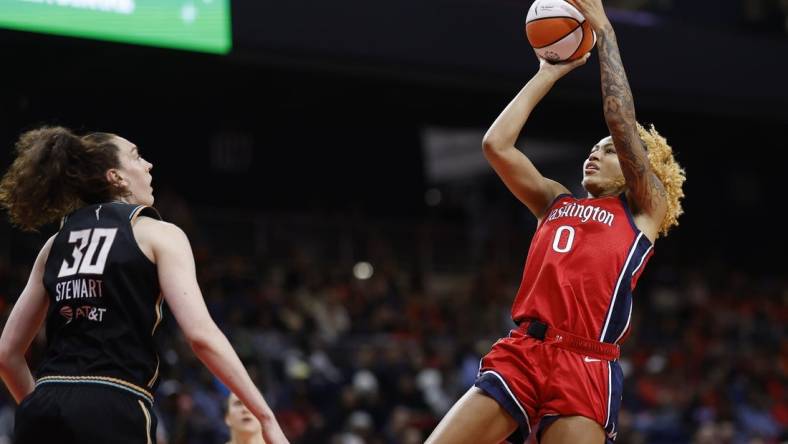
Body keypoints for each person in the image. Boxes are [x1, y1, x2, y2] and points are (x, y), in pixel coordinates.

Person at [426, 0, 686, 443]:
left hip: (585, 362)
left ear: (634, 166)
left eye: (608, 151)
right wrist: (546, 74)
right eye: (594, 147)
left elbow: (621, 121)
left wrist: (605, 29)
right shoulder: (555, 201)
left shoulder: (645, 209)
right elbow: (497, 145)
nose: (595, 152)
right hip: (524, 350)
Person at [0, 127, 289, 444]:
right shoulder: (159, 234)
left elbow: (6, 355)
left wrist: (39, 408)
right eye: (136, 156)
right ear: (116, 177)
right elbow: (201, 336)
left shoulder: (53, 245)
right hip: (115, 405)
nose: (149, 165)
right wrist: (265, 416)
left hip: (43, 407)